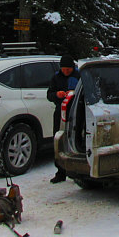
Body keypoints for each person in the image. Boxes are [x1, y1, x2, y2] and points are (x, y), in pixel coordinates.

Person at [47, 55, 80, 183]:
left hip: (77, 113)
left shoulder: (79, 76)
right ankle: (60, 171)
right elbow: (49, 95)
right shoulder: (56, 77)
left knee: (74, 140)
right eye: (64, 69)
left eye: (68, 69)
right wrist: (56, 94)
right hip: (60, 113)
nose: (66, 71)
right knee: (59, 140)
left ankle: (77, 170)